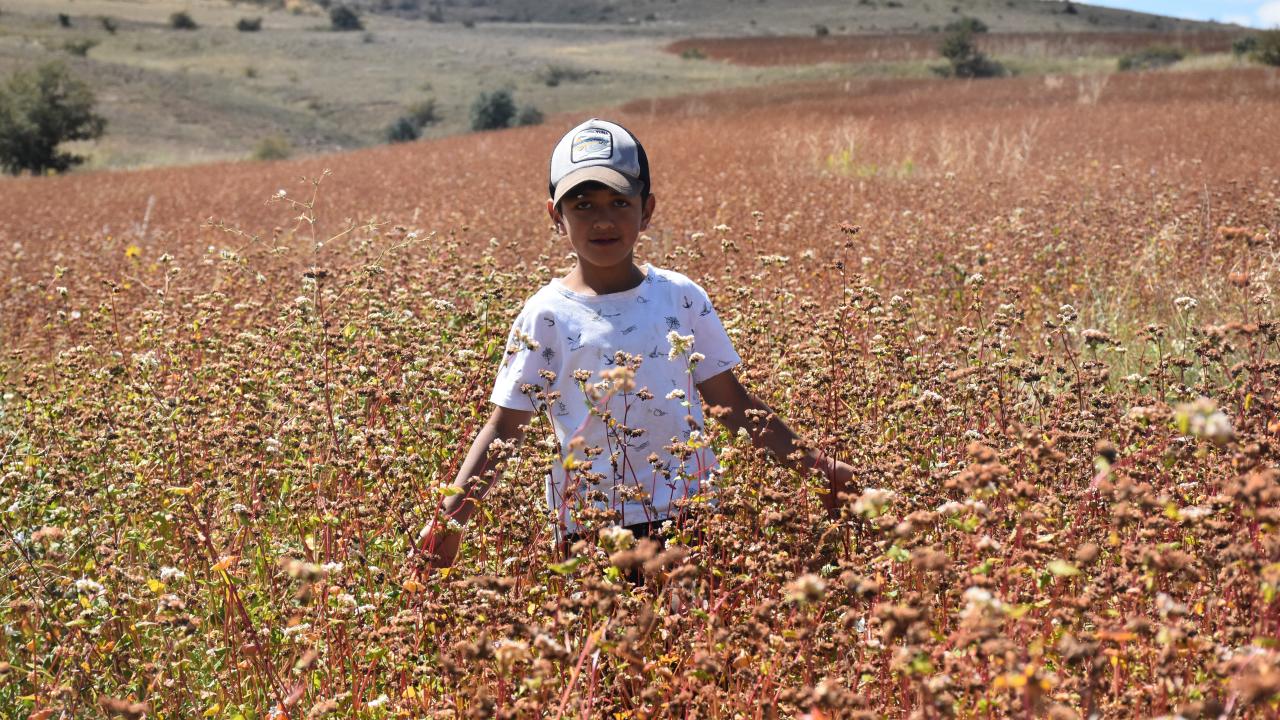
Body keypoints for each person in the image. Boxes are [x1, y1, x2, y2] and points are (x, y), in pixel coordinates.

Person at [420, 118, 854, 569]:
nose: (602, 220)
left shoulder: (680, 297)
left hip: (692, 515)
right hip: (590, 528)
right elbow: (505, 429)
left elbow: (732, 403)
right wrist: (450, 520)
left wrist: (819, 468)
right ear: (555, 216)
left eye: (619, 202)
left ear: (647, 210)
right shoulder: (546, 315)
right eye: (582, 205)